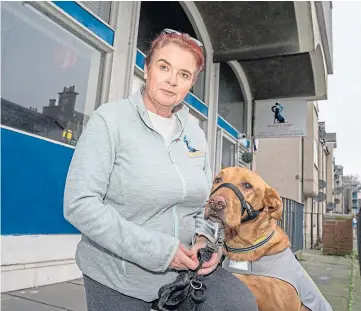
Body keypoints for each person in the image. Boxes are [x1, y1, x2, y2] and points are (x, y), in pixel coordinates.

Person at [63, 28, 258, 311]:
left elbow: (201, 207)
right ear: (146, 68)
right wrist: (160, 251)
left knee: (239, 304)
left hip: (185, 271)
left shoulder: (195, 134)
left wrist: (206, 242)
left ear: (191, 83)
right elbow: (79, 204)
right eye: (164, 67)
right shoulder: (110, 121)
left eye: (184, 74)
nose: (172, 80)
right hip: (120, 277)